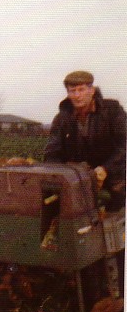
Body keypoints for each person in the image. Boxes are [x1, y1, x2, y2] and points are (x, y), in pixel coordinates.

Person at [44, 70, 126, 211]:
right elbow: (52, 152)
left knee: (117, 198)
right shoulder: (62, 118)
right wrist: (64, 173)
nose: (77, 95)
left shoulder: (112, 111)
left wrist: (106, 169)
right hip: (76, 177)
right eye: (72, 91)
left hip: (112, 174)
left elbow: (124, 145)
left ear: (92, 90)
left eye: (81, 90)